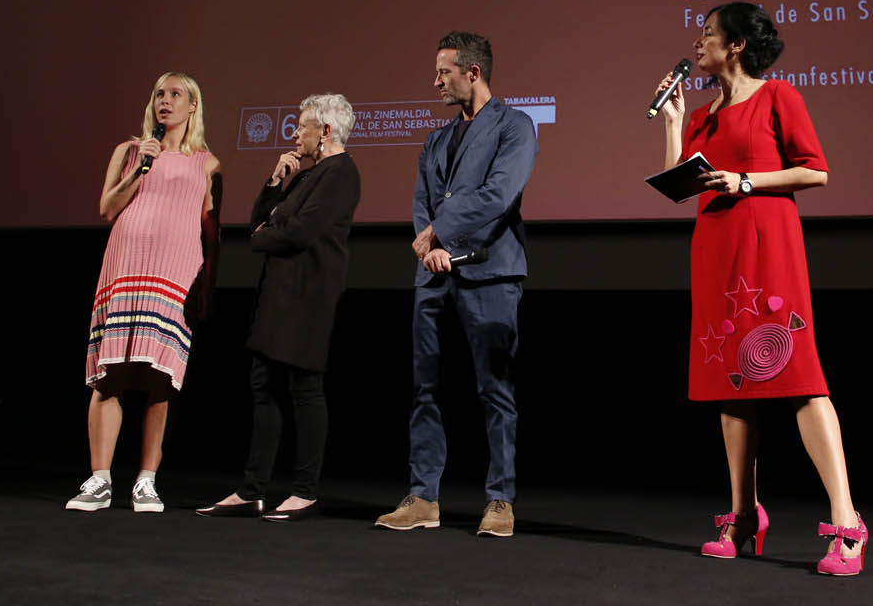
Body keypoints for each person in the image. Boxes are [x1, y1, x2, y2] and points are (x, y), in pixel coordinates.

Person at [656, 3, 867, 577]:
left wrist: (746, 181)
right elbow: (678, 186)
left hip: (768, 245)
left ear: (737, 45)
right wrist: (673, 122)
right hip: (716, 249)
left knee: (801, 378)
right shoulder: (704, 114)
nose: (697, 44)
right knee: (731, 383)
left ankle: (847, 520)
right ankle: (743, 514)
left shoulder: (778, 96)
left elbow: (815, 170)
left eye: (707, 34)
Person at [375, 31, 538, 538]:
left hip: (490, 272)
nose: (436, 81)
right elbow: (422, 201)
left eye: (444, 72)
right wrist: (431, 244)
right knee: (426, 389)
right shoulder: (435, 139)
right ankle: (423, 497)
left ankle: (499, 500)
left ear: (473, 72)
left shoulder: (515, 125)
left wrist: (440, 234)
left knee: (495, 389)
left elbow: (499, 195)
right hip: (434, 274)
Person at [196, 94, 361, 522]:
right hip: (278, 294)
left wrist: (267, 233)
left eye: (302, 126)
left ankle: (305, 492)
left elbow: (298, 233)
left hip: (308, 295)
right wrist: (274, 183)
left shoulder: (341, 173)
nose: (295, 133)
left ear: (325, 130)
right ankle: (252, 491)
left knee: (305, 387)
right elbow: (259, 222)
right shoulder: (305, 176)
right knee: (264, 385)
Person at [66, 72, 222, 513]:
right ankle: (99, 479)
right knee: (109, 373)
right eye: (159, 94)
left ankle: (146, 481)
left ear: (193, 106)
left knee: (160, 379)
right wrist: (139, 168)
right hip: (125, 268)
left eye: (175, 94)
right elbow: (107, 208)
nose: (164, 101)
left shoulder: (207, 164)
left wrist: (207, 287)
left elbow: (211, 230)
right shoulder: (130, 151)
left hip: (173, 275)